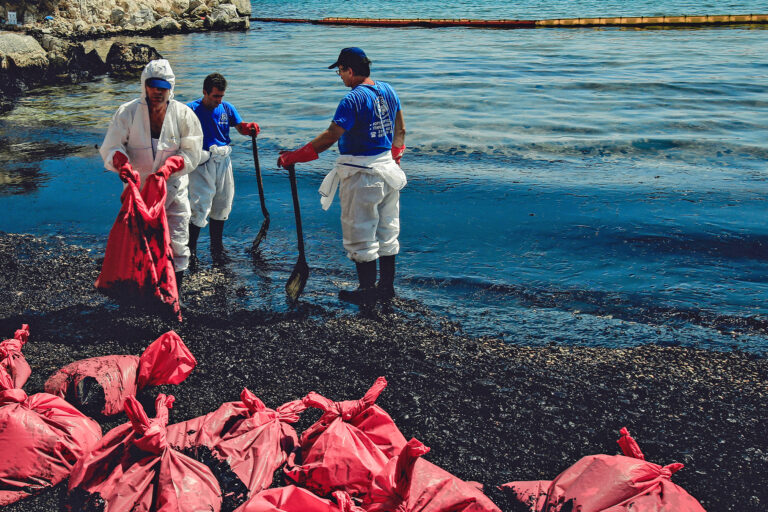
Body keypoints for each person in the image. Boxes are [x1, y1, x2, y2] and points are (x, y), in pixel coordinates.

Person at [277, 47, 407, 305]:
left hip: (362, 175)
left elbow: (330, 136)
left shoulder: (353, 99)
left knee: (360, 234)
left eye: (339, 70)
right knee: (387, 231)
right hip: (389, 171)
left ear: (350, 70)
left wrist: (294, 156)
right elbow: (400, 129)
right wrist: (395, 155)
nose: (339, 76)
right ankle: (387, 288)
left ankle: (367, 291)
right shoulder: (389, 90)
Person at [100, 59, 203, 303]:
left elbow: (192, 151)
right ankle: (141, 294)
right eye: (153, 86)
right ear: (144, 86)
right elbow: (112, 146)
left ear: (171, 88)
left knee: (178, 243)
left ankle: (174, 297)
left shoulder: (183, 114)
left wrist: (171, 166)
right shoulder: (127, 112)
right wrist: (123, 165)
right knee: (138, 243)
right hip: (138, 193)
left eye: (163, 87)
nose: (157, 91)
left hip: (174, 190)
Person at [186, 73, 260, 267]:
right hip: (202, 161)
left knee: (223, 202)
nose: (218, 100)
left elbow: (240, 127)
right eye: (215, 96)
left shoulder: (226, 108)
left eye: (221, 96)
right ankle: (190, 250)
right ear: (204, 92)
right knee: (200, 204)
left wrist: (249, 127)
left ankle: (216, 247)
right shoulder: (190, 110)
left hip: (223, 159)